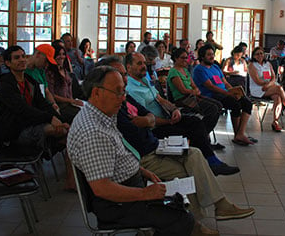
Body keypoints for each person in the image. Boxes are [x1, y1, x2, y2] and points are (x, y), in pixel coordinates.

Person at [98, 56, 255, 229]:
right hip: (148, 148)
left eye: (123, 75)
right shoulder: (115, 105)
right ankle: (194, 224)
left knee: (195, 148)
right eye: (119, 76)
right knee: (189, 156)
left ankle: (219, 205)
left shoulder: (128, 95)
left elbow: (148, 113)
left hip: (155, 140)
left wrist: (160, 114)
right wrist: (152, 121)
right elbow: (134, 131)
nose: (124, 79)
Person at [66, 66, 195, 236]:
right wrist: (144, 193)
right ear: (96, 93)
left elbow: (115, 156)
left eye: (124, 91)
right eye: (118, 92)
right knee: (181, 219)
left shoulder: (101, 115)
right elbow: (102, 188)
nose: (123, 97)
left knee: (177, 203)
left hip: (128, 188)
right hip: (115, 205)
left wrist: (141, 171)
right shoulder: (93, 132)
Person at [125, 52, 238, 176]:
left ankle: (210, 161)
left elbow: (161, 99)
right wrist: (169, 121)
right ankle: (205, 165)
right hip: (155, 128)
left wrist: (174, 109)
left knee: (196, 122)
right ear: (129, 67)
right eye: (139, 63)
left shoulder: (144, 80)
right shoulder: (131, 89)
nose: (144, 66)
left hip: (168, 117)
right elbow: (146, 118)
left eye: (144, 63)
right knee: (195, 127)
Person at [0, 45, 74, 187]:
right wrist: (51, 119)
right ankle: (71, 180)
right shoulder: (5, 85)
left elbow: (43, 103)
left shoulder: (29, 81)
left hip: (31, 124)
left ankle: (71, 177)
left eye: (23, 56)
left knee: (68, 132)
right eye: (16, 58)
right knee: (66, 133)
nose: (22, 60)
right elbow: (23, 109)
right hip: (15, 131)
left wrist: (60, 120)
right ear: (8, 63)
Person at [193, 44, 255, 146]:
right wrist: (228, 93)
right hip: (211, 95)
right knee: (235, 104)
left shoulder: (216, 67)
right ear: (202, 56)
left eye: (212, 54)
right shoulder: (199, 69)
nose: (212, 56)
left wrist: (233, 91)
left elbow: (225, 82)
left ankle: (240, 133)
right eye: (209, 55)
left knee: (247, 103)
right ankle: (238, 135)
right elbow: (211, 86)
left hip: (224, 93)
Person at [167, 47, 223, 142]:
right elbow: (183, 90)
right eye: (182, 58)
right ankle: (201, 137)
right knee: (212, 109)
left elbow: (193, 85)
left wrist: (195, 90)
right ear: (176, 59)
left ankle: (202, 134)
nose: (185, 60)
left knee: (218, 106)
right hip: (182, 100)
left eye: (186, 58)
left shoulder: (185, 70)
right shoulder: (173, 71)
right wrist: (194, 91)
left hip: (191, 96)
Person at [248, 47, 285, 132]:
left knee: (278, 97)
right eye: (257, 54)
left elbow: (273, 77)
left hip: (269, 86)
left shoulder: (268, 64)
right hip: (258, 88)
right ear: (254, 56)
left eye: (261, 53)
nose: (260, 55)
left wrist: (269, 84)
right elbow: (257, 81)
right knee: (279, 88)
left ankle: (275, 122)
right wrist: (268, 85)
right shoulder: (252, 65)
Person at [46, 45, 84, 124]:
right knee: (81, 115)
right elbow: (52, 95)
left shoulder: (65, 71)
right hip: (61, 106)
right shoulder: (50, 73)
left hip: (70, 104)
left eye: (63, 54)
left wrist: (74, 101)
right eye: (58, 54)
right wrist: (71, 101)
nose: (61, 57)